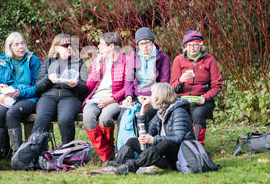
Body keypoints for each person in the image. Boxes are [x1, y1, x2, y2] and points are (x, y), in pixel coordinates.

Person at [91, 83, 194, 175]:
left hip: (176, 157)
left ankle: (129, 167)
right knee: (132, 141)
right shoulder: (161, 112)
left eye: (152, 95)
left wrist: (154, 140)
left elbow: (179, 139)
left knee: (166, 143)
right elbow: (147, 134)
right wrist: (142, 113)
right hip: (158, 154)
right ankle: (115, 166)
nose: (150, 97)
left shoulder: (179, 112)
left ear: (160, 97)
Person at [0, 32, 41, 171]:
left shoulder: (33, 60)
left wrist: (20, 92)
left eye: (22, 43)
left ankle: (18, 158)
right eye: (17, 44)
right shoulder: (2, 60)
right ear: (10, 47)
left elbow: (38, 87)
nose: (21, 47)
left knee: (12, 113)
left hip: (28, 98)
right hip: (8, 98)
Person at [117, 27, 171, 142]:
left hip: (156, 97)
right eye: (141, 44)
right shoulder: (134, 56)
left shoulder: (163, 58)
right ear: (137, 45)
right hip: (138, 96)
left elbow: (164, 81)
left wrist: (153, 97)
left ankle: (145, 146)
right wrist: (129, 96)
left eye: (147, 42)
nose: (145, 46)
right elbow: (129, 79)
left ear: (152, 42)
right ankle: (122, 148)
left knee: (144, 116)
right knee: (123, 115)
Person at [33, 33, 89, 144]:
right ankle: (36, 154)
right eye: (65, 45)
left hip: (70, 97)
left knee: (65, 120)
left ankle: (66, 153)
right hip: (48, 97)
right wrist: (48, 78)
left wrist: (76, 84)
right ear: (56, 47)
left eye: (70, 45)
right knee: (41, 120)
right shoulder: (47, 62)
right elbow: (38, 87)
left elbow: (85, 88)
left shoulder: (79, 63)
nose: (69, 48)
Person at [170, 30, 223, 145]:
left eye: (195, 45)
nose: (192, 48)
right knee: (178, 113)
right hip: (181, 98)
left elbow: (217, 85)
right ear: (185, 47)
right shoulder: (178, 60)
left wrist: (205, 97)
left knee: (198, 114)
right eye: (189, 45)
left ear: (201, 45)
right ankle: (178, 145)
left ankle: (198, 145)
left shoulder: (209, 60)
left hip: (202, 99)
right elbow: (172, 87)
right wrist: (181, 80)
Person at [83, 32, 128, 162]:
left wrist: (112, 99)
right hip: (96, 98)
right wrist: (97, 68)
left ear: (112, 46)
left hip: (115, 99)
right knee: (87, 118)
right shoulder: (99, 61)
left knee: (105, 118)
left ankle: (108, 154)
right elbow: (89, 86)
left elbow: (128, 86)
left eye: (101, 44)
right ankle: (107, 155)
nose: (98, 46)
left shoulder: (126, 61)